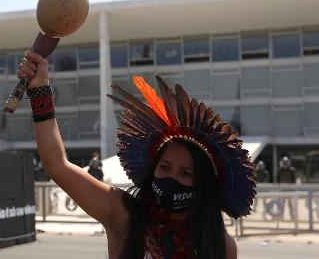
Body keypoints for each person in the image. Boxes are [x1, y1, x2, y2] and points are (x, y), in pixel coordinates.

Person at [17, 52, 256, 258]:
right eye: (164, 167)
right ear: (153, 169)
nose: (171, 178)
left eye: (186, 172)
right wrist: (40, 91)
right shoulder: (123, 215)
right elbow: (58, 166)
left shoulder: (222, 246)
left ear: (203, 183)